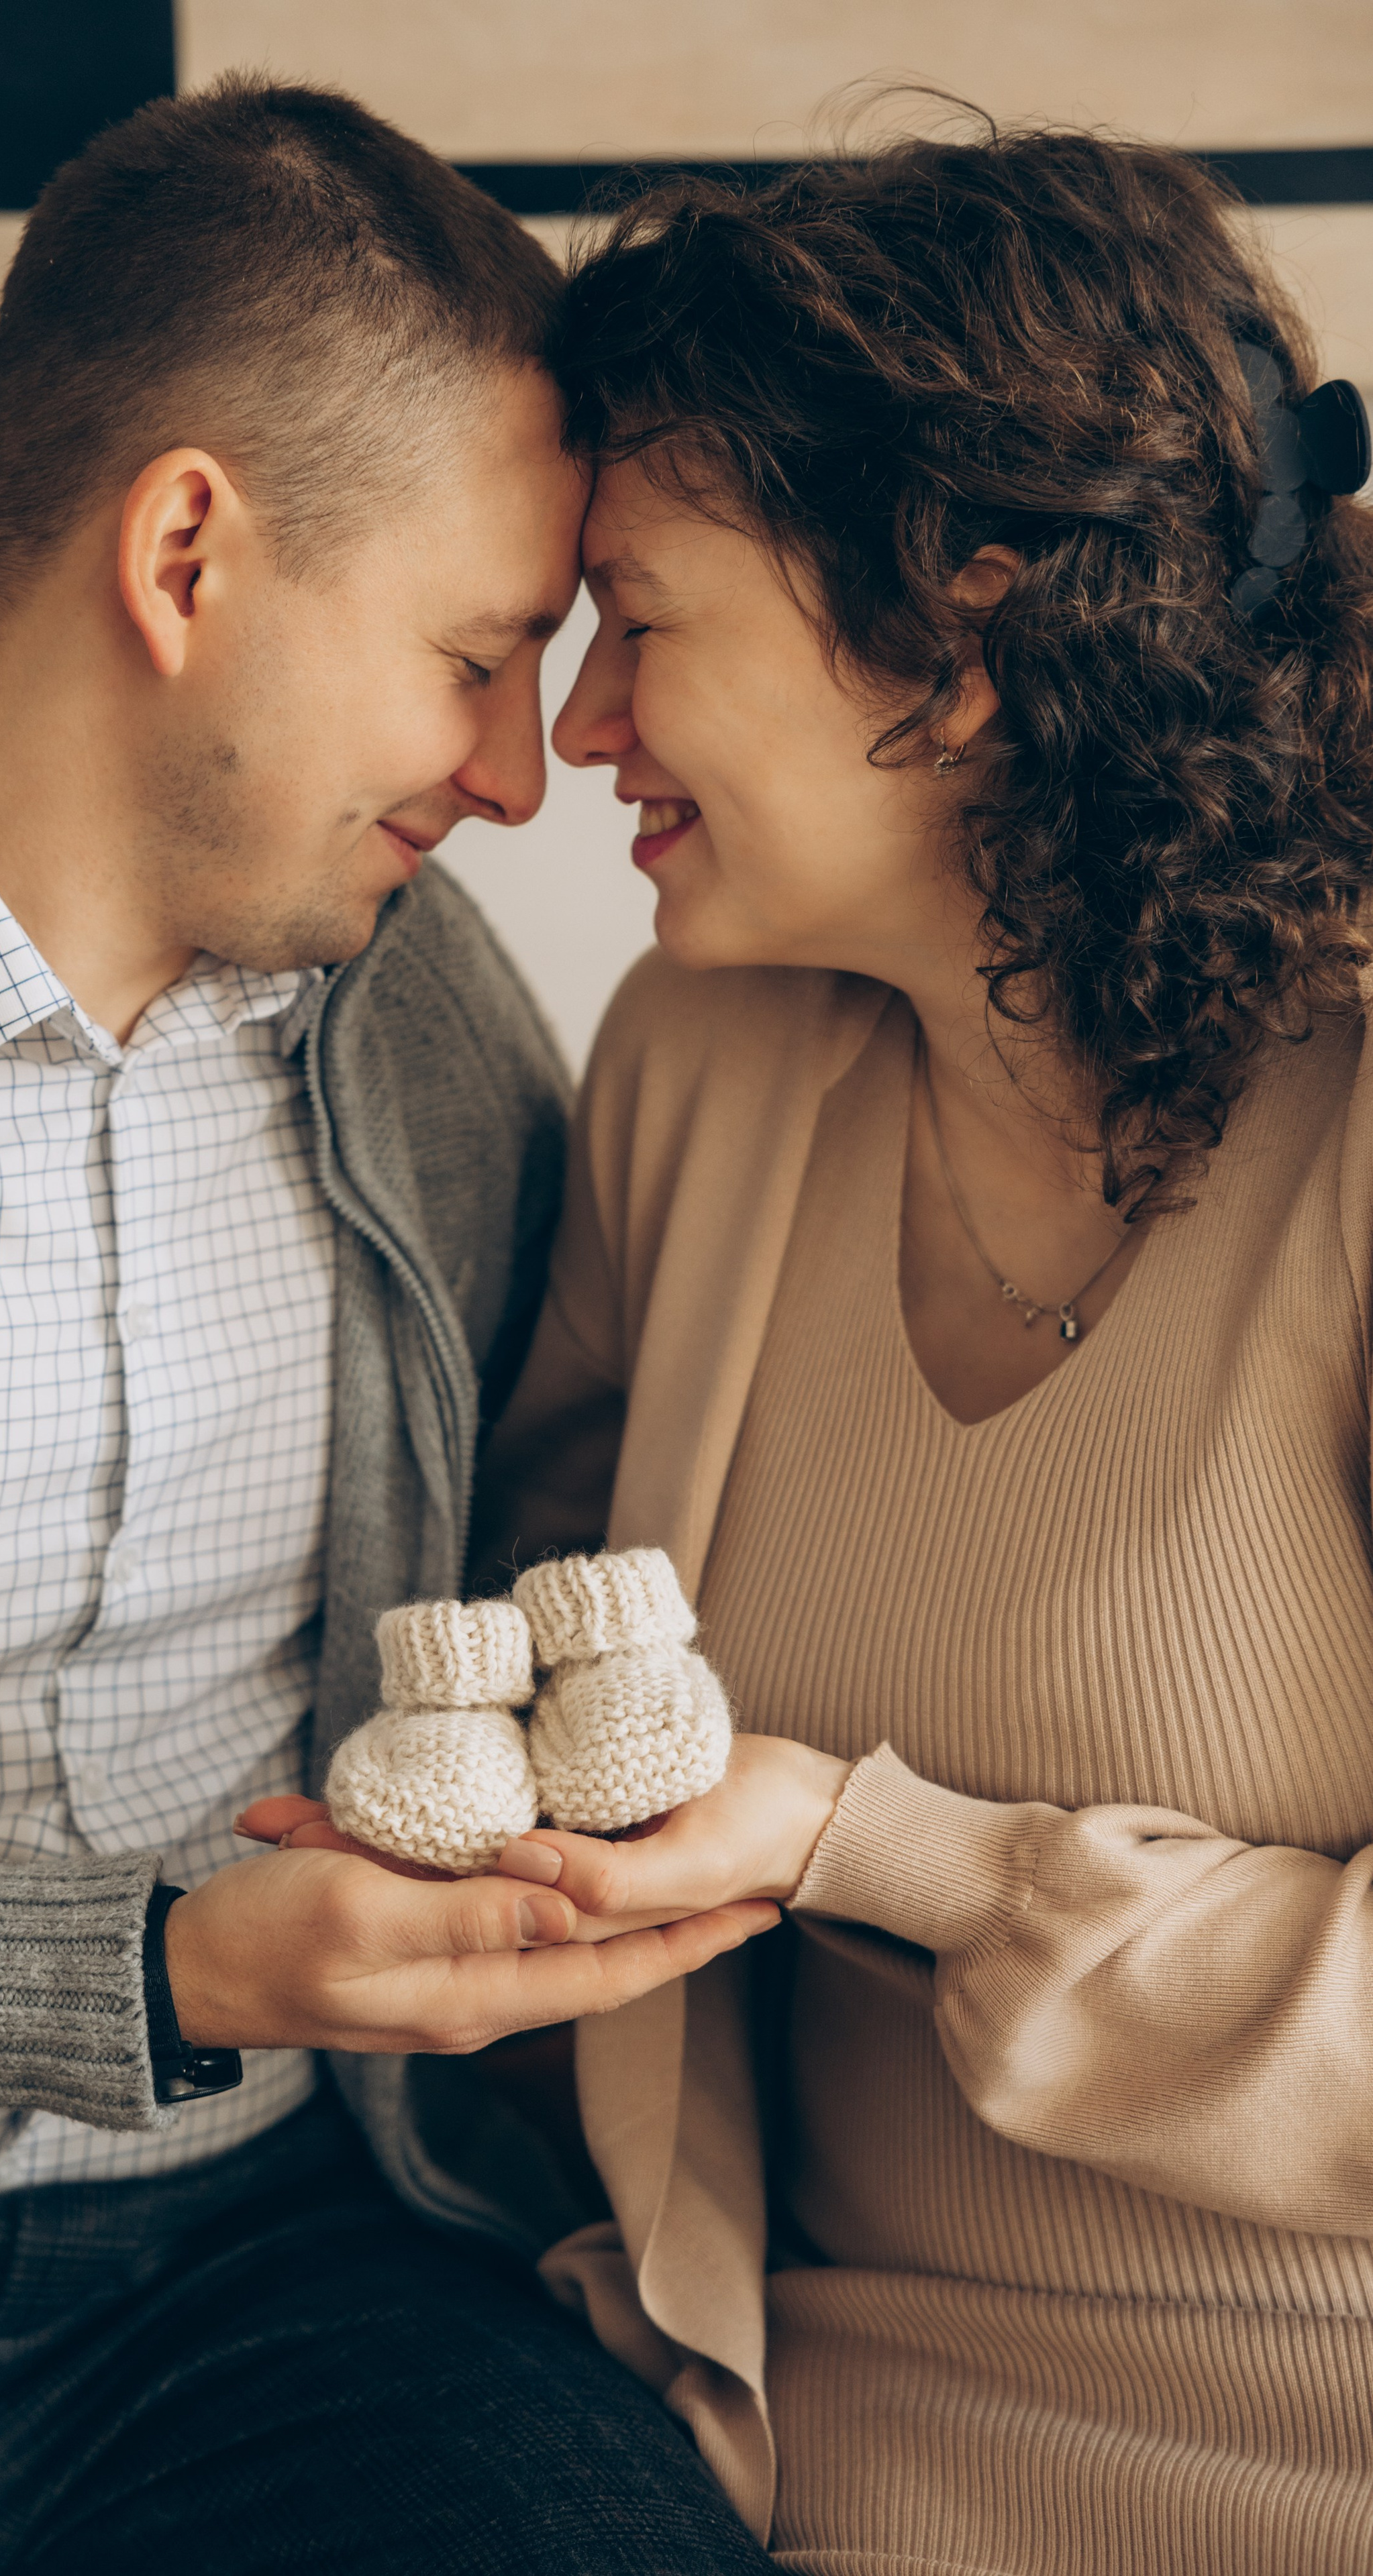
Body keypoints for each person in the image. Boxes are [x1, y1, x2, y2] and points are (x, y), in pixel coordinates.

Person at [0, 75, 778, 2576]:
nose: (520, 775)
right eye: (478, 657)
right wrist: (147, 1969)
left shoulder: (421, 1023)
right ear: (188, 552)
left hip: (268, 2258)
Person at [466, 125, 1373, 2574]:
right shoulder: (699, 1065)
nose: (575, 734)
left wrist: (903, 1858)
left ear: (963, 632)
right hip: (785, 2437)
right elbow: (542, 1670)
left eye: (643, 621)